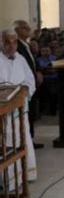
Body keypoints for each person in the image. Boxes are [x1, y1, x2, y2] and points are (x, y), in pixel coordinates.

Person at [0, 28, 37, 188]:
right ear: (1, 42)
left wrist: (26, 90)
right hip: (4, 113)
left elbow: (30, 80)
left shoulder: (21, 59)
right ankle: (11, 181)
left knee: (23, 140)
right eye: (7, 42)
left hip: (20, 110)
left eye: (14, 41)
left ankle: (26, 174)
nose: (11, 45)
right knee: (8, 145)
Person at [14, 20, 44, 149]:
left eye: (28, 28)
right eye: (25, 28)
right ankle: (27, 139)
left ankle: (30, 137)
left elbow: (32, 61)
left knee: (31, 112)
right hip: (23, 85)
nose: (28, 30)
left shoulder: (26, 44)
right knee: (27, 112)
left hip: (31, 82)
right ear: (17, 30)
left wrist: (38, 71)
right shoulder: (17, 46)